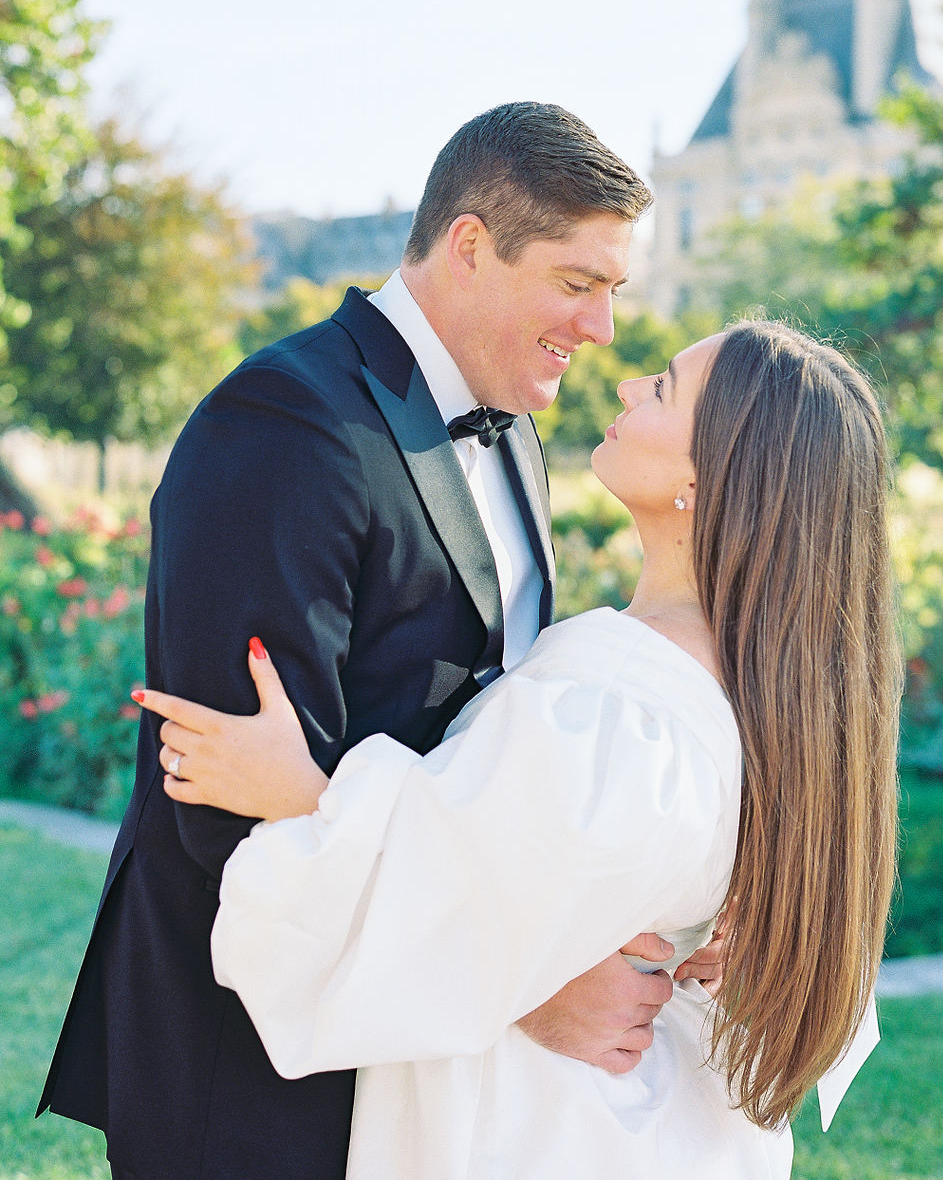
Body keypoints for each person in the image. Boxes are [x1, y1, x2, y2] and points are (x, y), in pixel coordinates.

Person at [39, 102, 689, 1180]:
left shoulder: (513, 423)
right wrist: (519, 978)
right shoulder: (285, 425)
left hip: (407, 1039)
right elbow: (231, 811)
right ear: (471, 246)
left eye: (614, 291)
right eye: (578, 284)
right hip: (249, 1051)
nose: (603, 328)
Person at [137, 321, 902, 1179]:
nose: (624, 382)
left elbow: (458, 893)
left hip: (542, 1125)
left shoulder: (619, 707)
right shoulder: (775, 691)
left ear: (707, 477)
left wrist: (301, 793)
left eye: (662, 389)